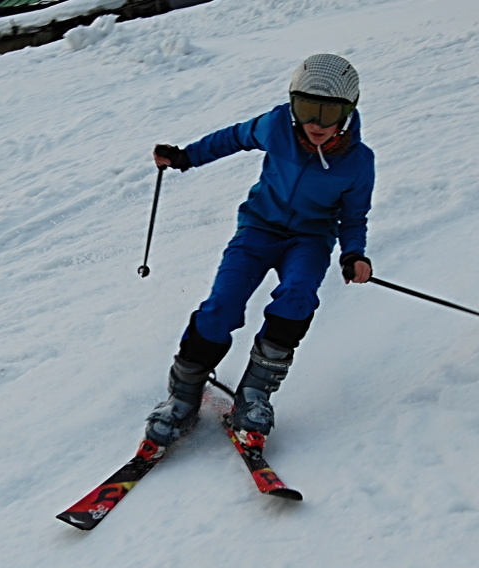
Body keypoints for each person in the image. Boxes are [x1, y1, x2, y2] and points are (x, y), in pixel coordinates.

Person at [145, 53, 375, 450]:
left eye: (329, 112)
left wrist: (353, 254)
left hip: (309, 240)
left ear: (348, 110)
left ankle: (254, 394)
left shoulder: (358, 162)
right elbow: (233, 137)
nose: (316, 123)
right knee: (222, 305)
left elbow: (354, 217)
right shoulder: (277, 126)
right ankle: (182, 396)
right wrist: (186, 157)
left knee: (298, 297)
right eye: (306, 108)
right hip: (258, 229)